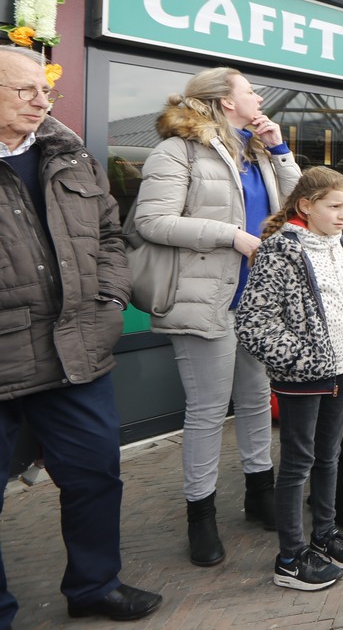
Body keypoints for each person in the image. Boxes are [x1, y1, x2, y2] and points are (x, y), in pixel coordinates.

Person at [0, 46, 163, 622]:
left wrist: (112, 300)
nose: (42, 102)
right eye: (25, 90)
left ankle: (95, 587)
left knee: (95, 476)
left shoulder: (69, 156)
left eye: (45, 90)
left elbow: (110, 236)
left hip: (75, 349)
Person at [134, 66, 300, 566]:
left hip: (256, 301)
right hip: (205, 299)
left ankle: (260, 494)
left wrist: (280, 150)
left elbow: (299, 207)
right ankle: (200, 517)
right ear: (226, 101)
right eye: (250, 91)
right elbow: (151, 221)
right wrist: (230, 236)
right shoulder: (177, 150)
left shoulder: (258, 151)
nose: (259, 98)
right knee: (208, 411)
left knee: (255, 400)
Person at [235, 167, 343, 592]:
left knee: (328, 454)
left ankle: (325, 532)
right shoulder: (281, 251)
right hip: (303, 376)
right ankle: (291, 558)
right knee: (298, 462)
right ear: (305, 206)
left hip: (340, 371)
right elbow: (253, 322)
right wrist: (303, 359)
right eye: (334, 206)